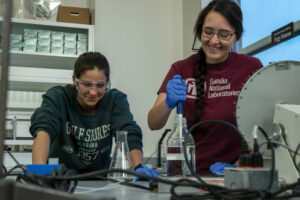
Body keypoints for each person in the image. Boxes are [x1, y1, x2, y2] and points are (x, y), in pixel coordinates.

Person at [148, 0, 263, 174]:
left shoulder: (251, 68)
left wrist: (240, 166)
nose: (214, 41)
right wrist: (168, 103)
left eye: (224, 34)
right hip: (186, 177)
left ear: (236, 36)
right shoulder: (181, 69)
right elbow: (153, 123)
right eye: (208, 32)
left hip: (232, 177)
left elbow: (262, 127)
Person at [30, 52, 159, 179]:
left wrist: (138, 166)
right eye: (87, 84)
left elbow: (128, 131)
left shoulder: (115, 100)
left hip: (100, 182)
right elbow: (44, 128)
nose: (93, 92)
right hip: (60, 181)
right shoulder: (59, 97)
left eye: (100, 85)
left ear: (107, 83)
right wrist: (40, 173)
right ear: (75, 81)